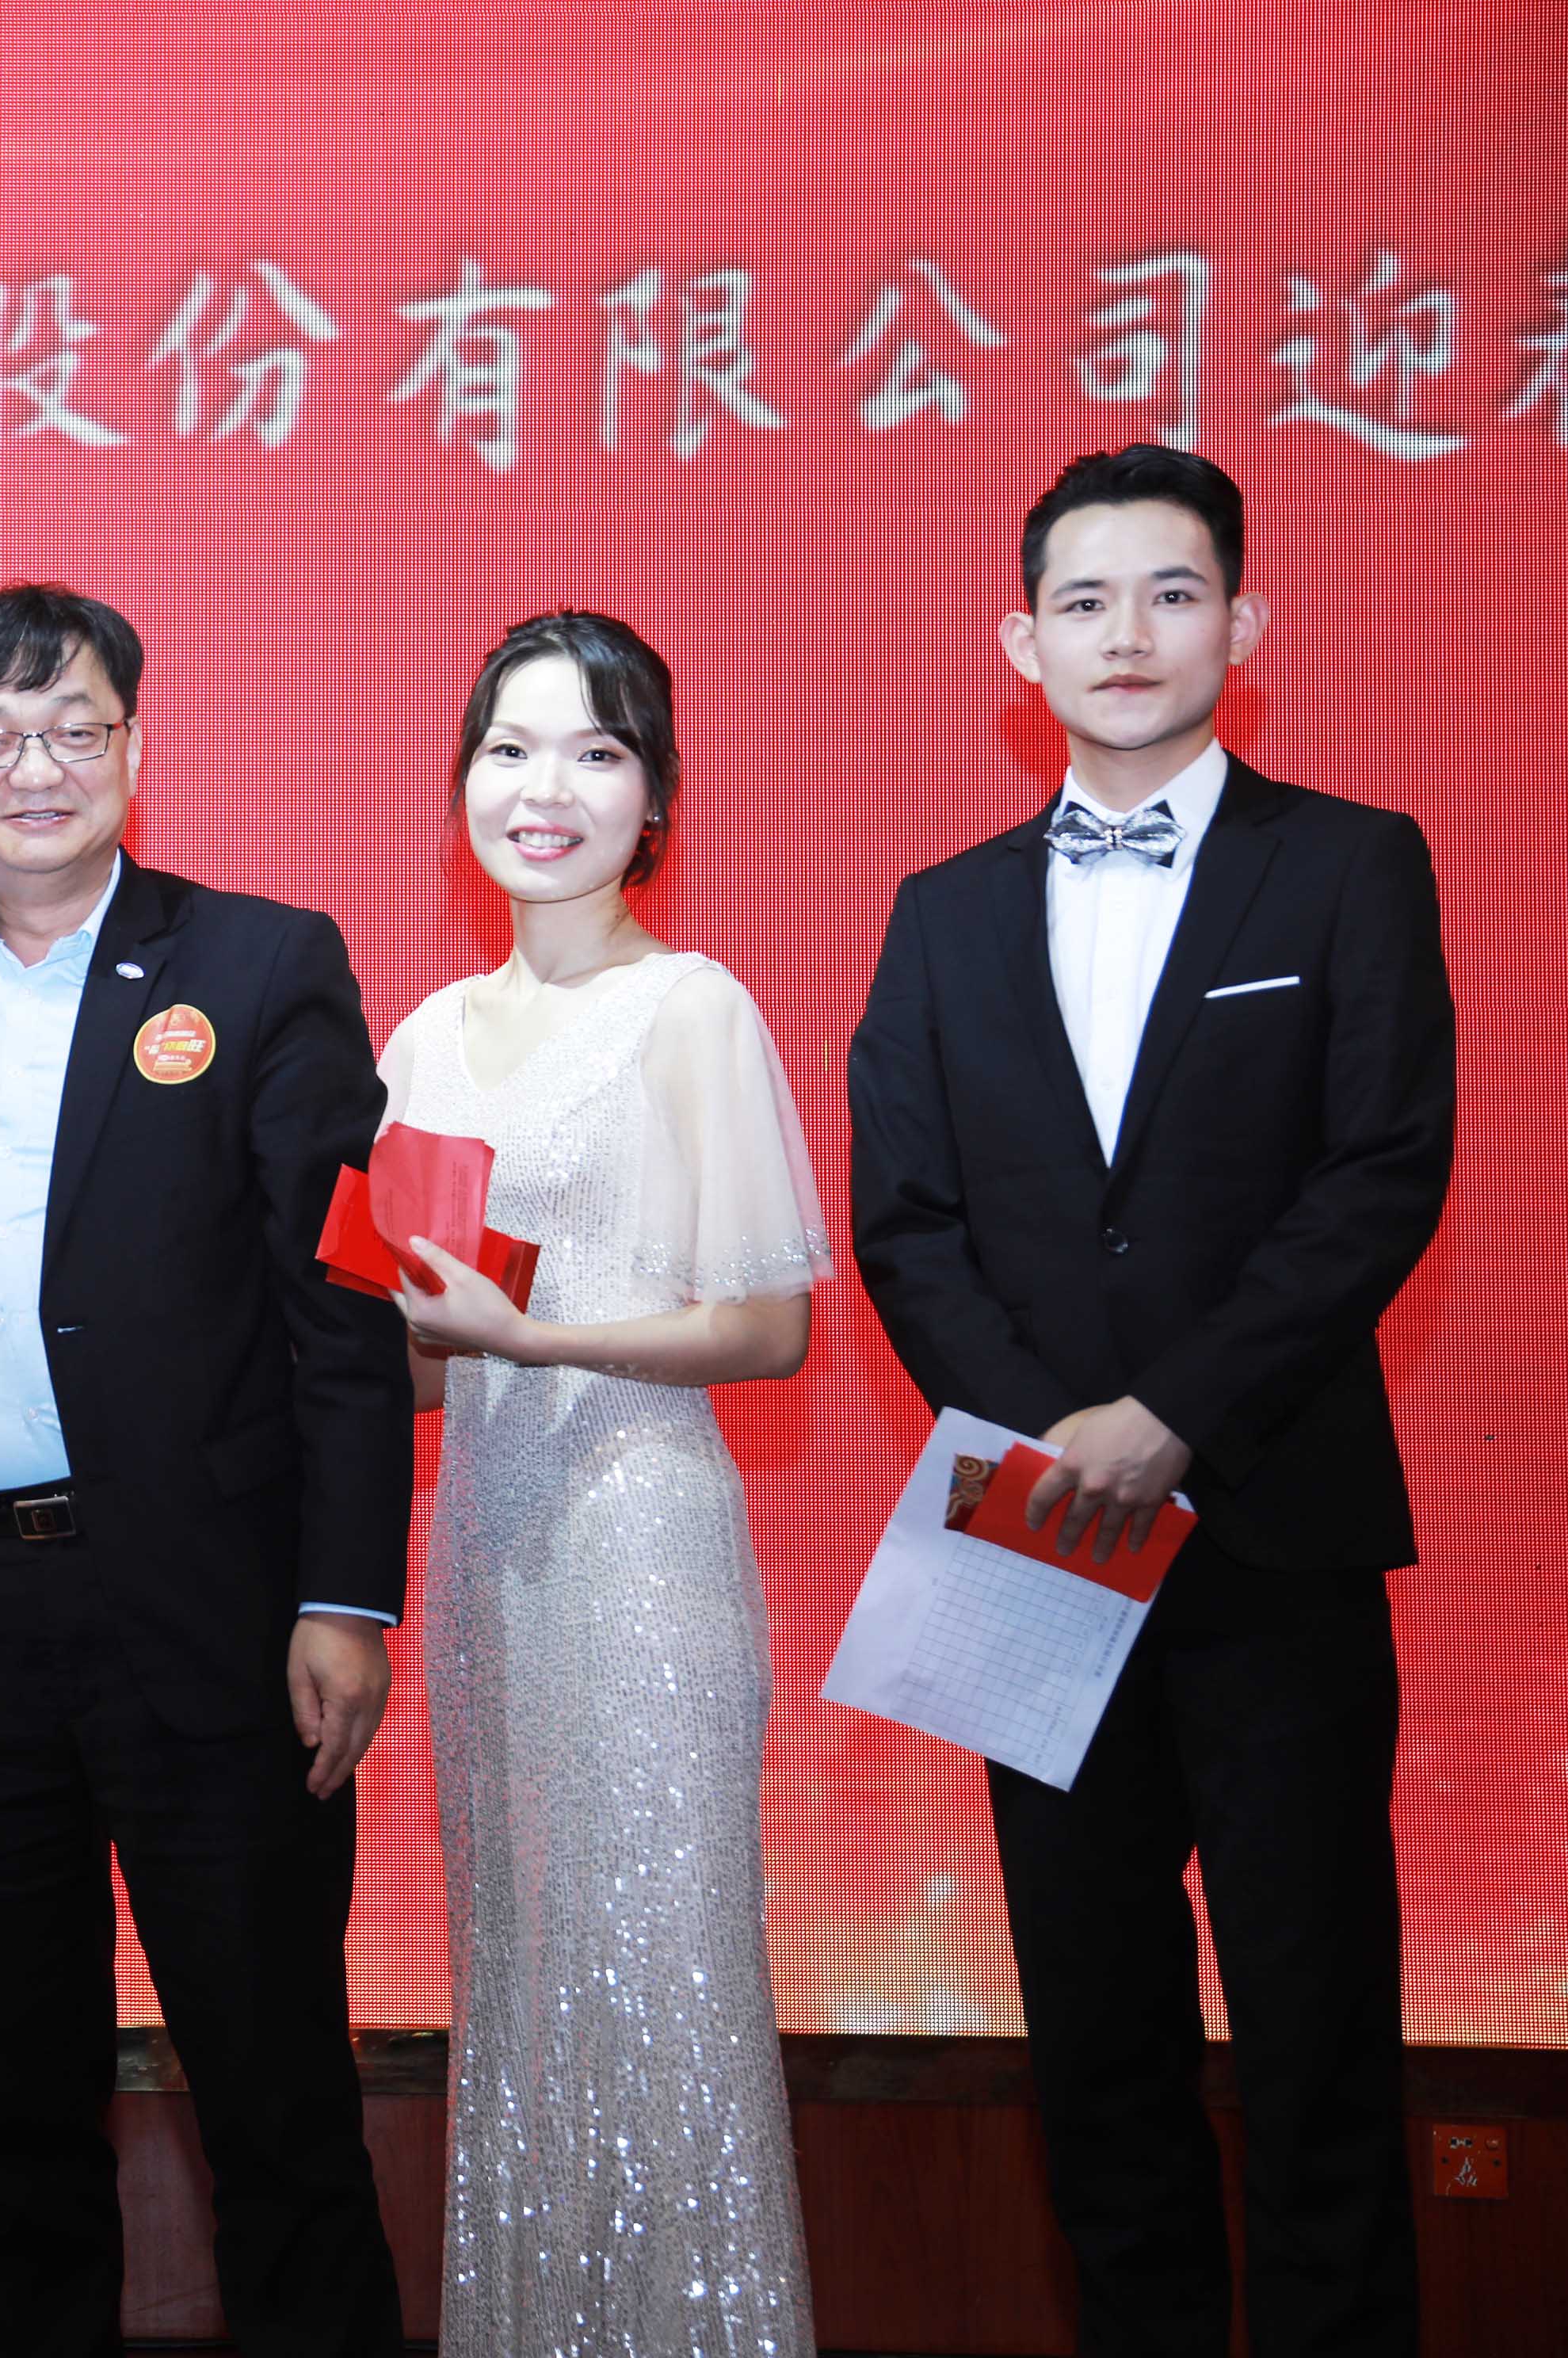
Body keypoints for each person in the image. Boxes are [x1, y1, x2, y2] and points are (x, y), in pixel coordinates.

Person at [849, 445, 1452, 2356]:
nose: (1129, 633)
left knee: (1315, 2027)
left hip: (1273, 1529)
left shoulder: (1349, 863)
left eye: (1174, 593)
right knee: (1095, 2039)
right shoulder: (941, 911)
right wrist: (1057, 1437)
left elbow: (1381, 1173)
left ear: (1242, 624)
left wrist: (1171, 1413)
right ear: (1020, 642)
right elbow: (906, 1222)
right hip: (1034, 1538)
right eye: (1086, 600)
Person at [0, 584, 411, 2358]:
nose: (34, 768)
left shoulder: (262, 963)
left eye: (74, 727)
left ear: (135, 743)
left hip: (206, 1608)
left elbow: (344, 1304)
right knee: (13, 2111)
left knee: (276, 2091)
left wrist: (345, 1597)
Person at [372, 612, 827, 2355]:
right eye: (508, 749)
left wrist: (533, 1338)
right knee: (524, 1977)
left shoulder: (690, 1008)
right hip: (489, 1559)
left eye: (594, 751)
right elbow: (422, 1351)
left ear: (655, 799)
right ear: (462, 785)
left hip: (646, 1555)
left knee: (666, 1978)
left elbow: (768, 1325)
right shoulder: (425, 1036)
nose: (542, 788)